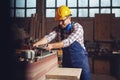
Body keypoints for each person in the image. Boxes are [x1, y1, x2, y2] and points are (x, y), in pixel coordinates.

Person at [33, 5, 91, 80]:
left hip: (80, 61)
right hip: (67, 60)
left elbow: (68, 41)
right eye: (59, 21)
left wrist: (51, 46)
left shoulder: (77, 28)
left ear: (69, 18)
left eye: (62, 20)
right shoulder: (58, 29)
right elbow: (48, 37)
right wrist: (37, 43)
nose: (60, 23)